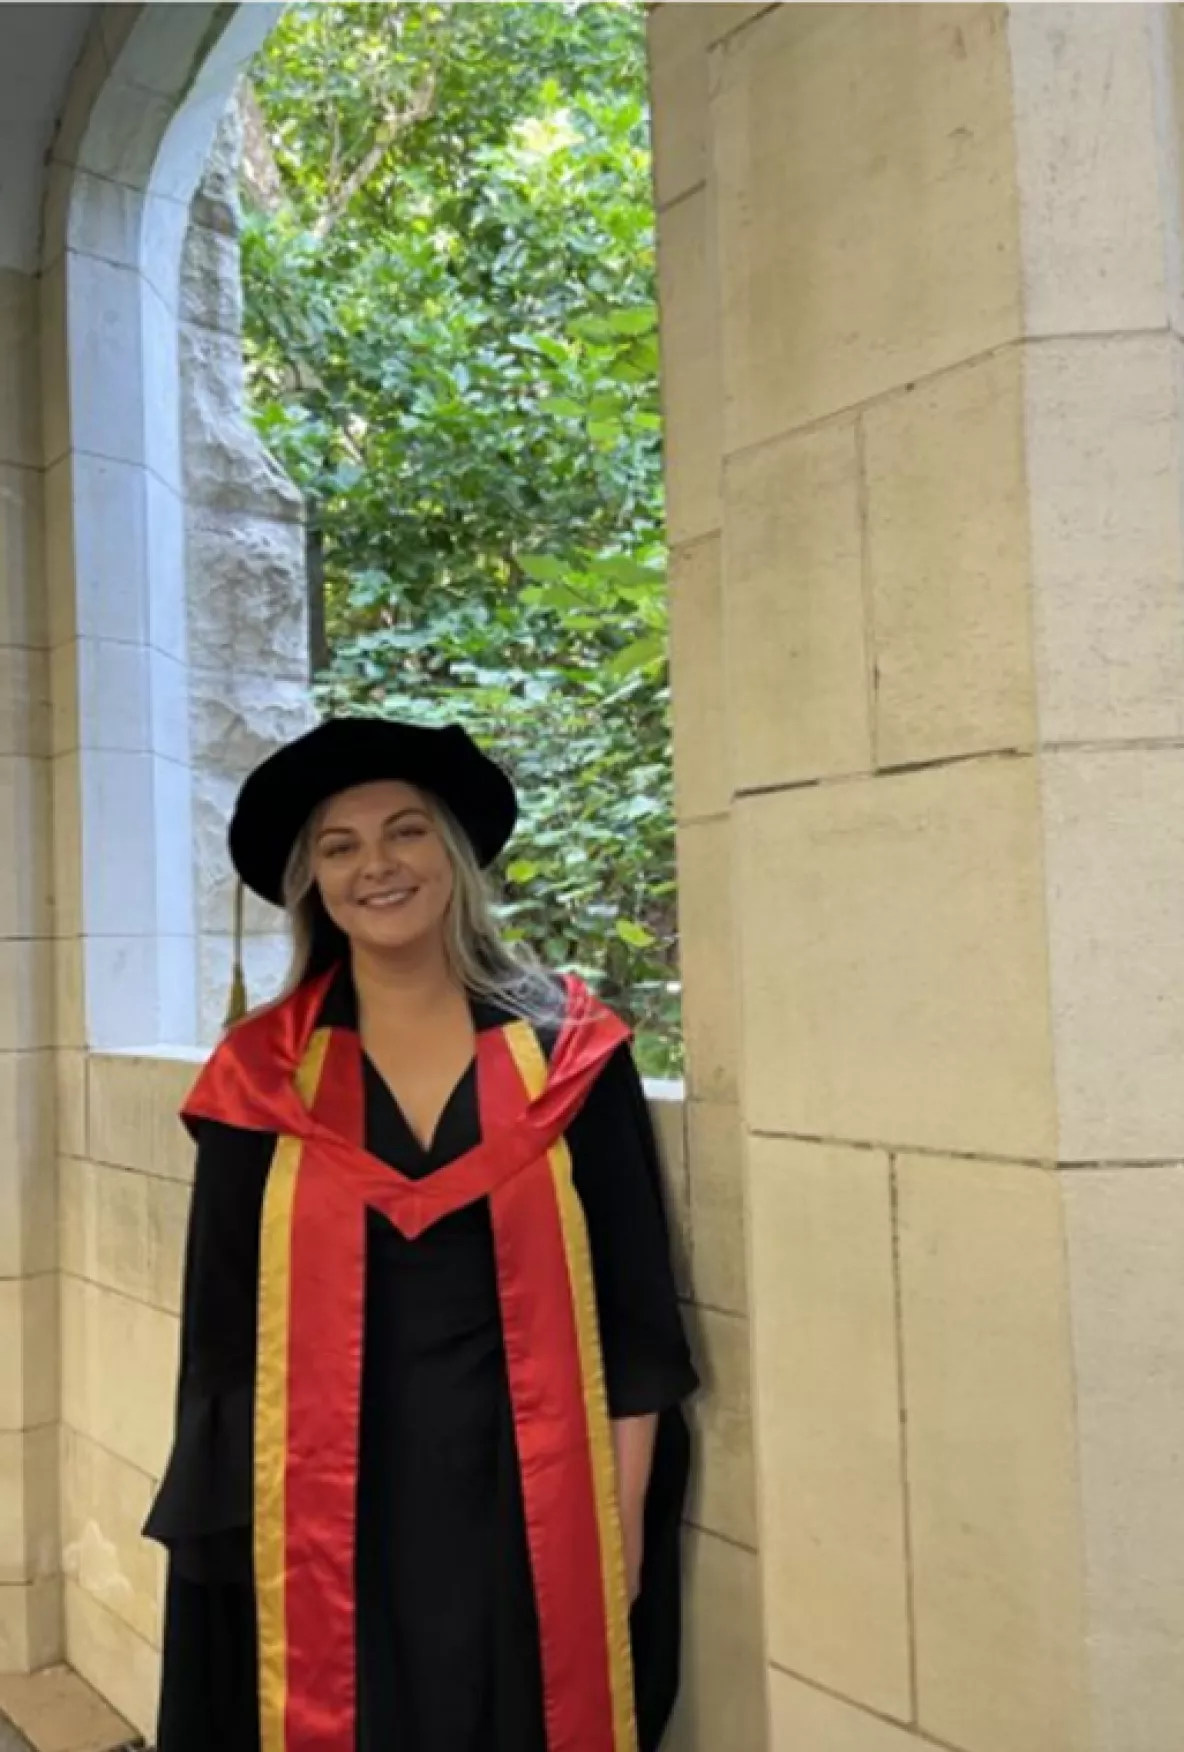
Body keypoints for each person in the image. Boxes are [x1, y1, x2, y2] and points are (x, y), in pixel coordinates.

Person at [144, 716, 698, 1752]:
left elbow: (635, 1325)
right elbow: (220, 1346)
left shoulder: (571, 1055)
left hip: (527, 1500)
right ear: (311, 880)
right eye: (339, 846)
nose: (376, 866)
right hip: (324, 1506)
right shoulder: (259, 1078)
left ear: (452, 851)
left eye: (404, 831)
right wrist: (225, 1547)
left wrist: (614, 1537)